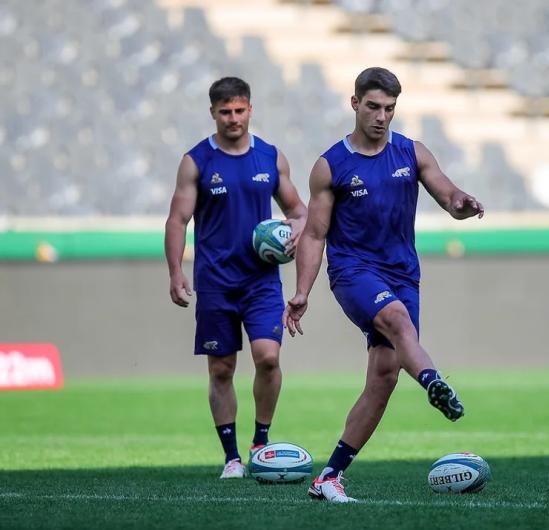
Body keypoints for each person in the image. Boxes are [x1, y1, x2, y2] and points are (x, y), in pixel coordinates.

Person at [283, 67, 484, 503]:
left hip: (402, 273)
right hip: (353, 272)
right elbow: (315, 235)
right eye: (373, 106)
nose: (381, 116)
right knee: (395, 320)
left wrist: (461, 203)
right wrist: (301, 291)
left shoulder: (412, 152)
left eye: (389, 108)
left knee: (383, 377)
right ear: (355, 104)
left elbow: (447, 194)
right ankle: (432, 380)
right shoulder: (331, 165)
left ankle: (329, 477)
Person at [165, 77, 307, 479]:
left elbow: (299, 210)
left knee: (268, 357)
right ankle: (231, 458)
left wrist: (294, 232)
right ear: (212, 113)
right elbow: (177, 219)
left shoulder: (270, 157)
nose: (233, 118)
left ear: (250, 110)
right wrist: (176, 272)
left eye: (239, 110)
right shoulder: (196, 161)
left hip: (261, 281)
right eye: (224, 111)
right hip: (215, 282)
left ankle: (260, 444)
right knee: (221, 369)